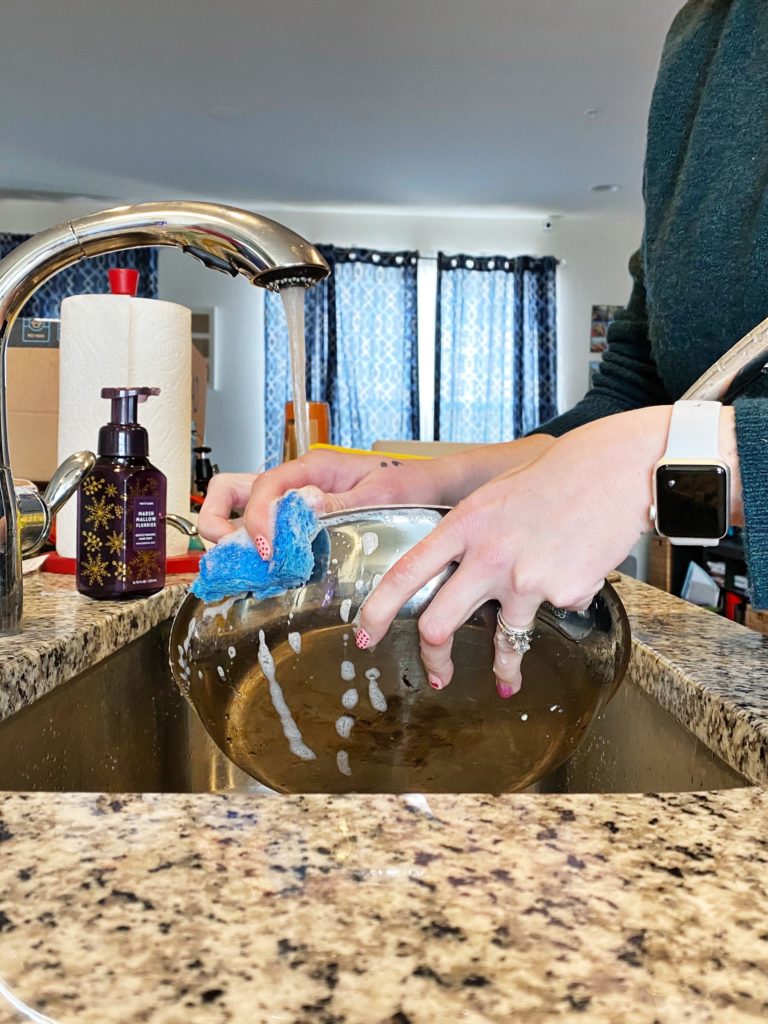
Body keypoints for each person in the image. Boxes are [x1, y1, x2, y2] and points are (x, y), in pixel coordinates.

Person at [200, 0, 767, 698]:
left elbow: (651, 433)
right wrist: (425, 481)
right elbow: (635, 394)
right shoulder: (703, 38)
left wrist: (670, 457)